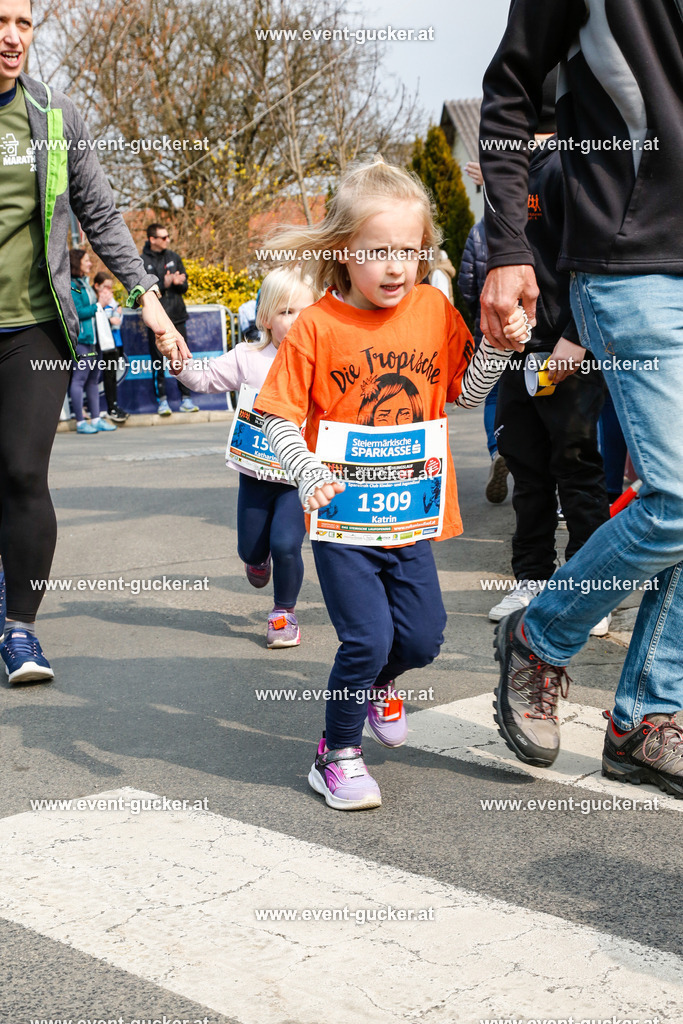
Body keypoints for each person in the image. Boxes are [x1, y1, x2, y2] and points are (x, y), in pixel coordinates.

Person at [252, 159, 529, 811]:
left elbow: (464, 394)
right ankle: (336, 752)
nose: (396, 266)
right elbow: (275, 414)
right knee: (367, 638)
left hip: (410, 519)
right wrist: (306, 467)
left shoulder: (432, 309)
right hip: (345, 522)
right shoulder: (317, 326)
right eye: (377, 251)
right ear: (344, 251)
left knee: (422, 637)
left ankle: (379, 686)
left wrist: (501, 348)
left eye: (408, 250)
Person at [479, 0, 683, 796]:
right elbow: (509, 93)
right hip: (632, 260)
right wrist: (504, 246)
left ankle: (647, 718)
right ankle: (543, 634)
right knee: (675, 496)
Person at [0, 0, 188, 683]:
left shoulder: (55, 115)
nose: (12, 36)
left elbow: (101, 214)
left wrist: (149, 301)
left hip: (34, 324)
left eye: (23, 22)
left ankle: (19, 631)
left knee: (22, 471)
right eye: (0, 21)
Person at [488, 118, 611, 634]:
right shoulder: (510, 178)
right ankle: (533, 576)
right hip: (519, 350)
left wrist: (576, 339)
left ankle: (589, 588)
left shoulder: (572, 164)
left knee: (576, 467)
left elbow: (600, 259)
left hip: (566, 346)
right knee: (528, 467)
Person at [156, 267, 317, 648]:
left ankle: (284, 613)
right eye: (285, 312)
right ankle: (255, 559)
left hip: (297, 477)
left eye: (303, 312)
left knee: (286, 544)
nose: (295, 322)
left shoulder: (323, 360)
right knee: (252, 548)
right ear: (265, 318)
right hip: (256, 475)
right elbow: (203, 380)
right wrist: (178, 360)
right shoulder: (248, 357)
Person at [458, 213, 509, 503]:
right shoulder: (528, 221)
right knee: (534, 392)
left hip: (487, 325)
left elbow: (467, 285)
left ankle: (497, 450)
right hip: (528, 325)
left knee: (492, 395)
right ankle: (535, 465)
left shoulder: (479, 231)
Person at [141, 224, 198, 416]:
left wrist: (180, 283)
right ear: (152, 239)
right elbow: (143, 291)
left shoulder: (174, 257)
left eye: (168, 236)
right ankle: (163, 401)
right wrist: (163, 285)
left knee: (183, 357)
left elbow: (185, 286)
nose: (167, 240)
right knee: (158, 360)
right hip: (157, 321)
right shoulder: (141, 261)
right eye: (163, 237)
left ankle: (186, 399)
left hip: (178, 316)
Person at [68, 250, 116, 434]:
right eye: (86, 260)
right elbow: (77, 312)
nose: (90, 263)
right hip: (82, 340)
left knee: (93, 380)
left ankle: (96, 418)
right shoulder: (72, 285)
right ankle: (80, 422)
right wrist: (98, 305)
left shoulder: (83, 283)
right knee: (80, 380)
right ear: (76, 262)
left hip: (95, 341)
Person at [93, 271, 129, 424]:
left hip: (115, 343)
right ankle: (102, 409)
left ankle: (113, 406)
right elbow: (105, 319)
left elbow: (118, 319)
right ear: (97, 287)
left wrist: (117, 315)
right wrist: (111, 317)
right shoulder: (95, 301)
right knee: (97, 377)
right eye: (105, 287)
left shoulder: (113, 301)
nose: (108, 290)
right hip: (101, 344)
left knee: (111, 376)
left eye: (110, 287)